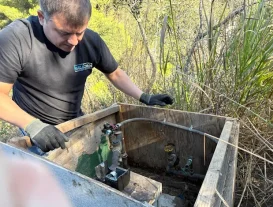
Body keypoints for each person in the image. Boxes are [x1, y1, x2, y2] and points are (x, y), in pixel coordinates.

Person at [0, 0, 173, 153]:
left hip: (76, 122)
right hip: (35, 130)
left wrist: (144, 96)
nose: (74, 42)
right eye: (64, 33)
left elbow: (115, 73)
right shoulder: (16, 39)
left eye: (80, 32)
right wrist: (33, 126)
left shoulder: (91, 41)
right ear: (41, 17)